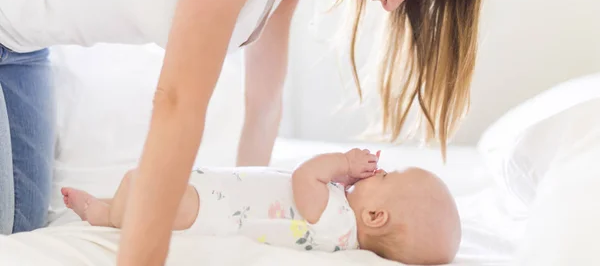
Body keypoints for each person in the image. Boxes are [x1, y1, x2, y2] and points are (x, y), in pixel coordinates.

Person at [0, 0, 488, 263]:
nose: (391, 1)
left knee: (16, 226)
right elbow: (178, 101)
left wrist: (240, 219)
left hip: (24, 47)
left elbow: (263, 105)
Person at [62, 148, 461, 265]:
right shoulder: (341, 232)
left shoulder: (336, 218)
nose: (377, 173)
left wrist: (343, 163)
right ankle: (107, 209)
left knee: (147, 192)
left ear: (376, 216)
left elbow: (306, 176)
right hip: (220, 197)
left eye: (385, 179)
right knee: (150, 192)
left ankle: (106, 214)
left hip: (214, 209)